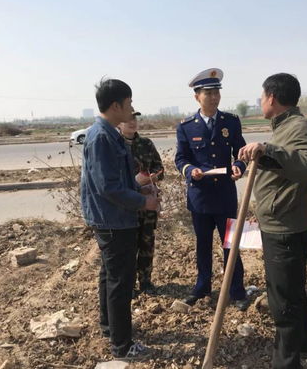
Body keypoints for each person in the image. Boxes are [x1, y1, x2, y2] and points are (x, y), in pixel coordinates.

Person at [238, 73, 307, 369]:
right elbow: (285, 167)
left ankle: (285, 363)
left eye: (261, 97)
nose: (260, 102)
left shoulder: (299, 127)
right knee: (293, 291)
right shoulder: (284, 128)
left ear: (272, 97)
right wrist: (264, 152)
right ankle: (301, 348)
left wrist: (270, 149)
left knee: (283, 302)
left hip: (285, 228)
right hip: (284, 221)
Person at [80, 78, 159, 359]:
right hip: (114, 219)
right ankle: (122, 346)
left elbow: (117, 179)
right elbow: (108, 187)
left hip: (111, 217)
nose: (132, 109)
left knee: (109, 276)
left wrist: (138, 187)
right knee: (120, 281)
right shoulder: (102, 136)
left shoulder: (107, 132)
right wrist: (144, 201)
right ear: (116, 106)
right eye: (129, 103)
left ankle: (109, 327)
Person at [175, 67, 249, 311]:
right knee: (203, 245)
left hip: (225, 195)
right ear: (197, 96)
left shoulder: (230, 122)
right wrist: (189, 170)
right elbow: (181, 158)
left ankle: (236, 290)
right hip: (200, 197)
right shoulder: (186, 126)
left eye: (217, 92)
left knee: (231, 243)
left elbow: (241, 152)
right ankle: (202, 286)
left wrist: (239, 165)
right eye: (208, 93)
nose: (214, 97)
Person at [119, 110, 164, 294]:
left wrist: (152, 177)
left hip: (147, 203)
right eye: (128, 119)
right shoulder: (116, 145)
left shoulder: (145, 144)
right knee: (128, 247)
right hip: (127, 206)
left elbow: (160, 168)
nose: (132, 122)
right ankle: (129, 286)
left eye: (135, 118)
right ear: (118, 123)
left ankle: (146, 282)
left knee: (147, 243)